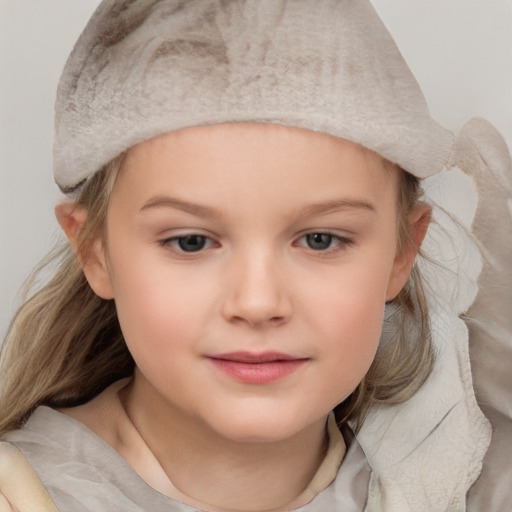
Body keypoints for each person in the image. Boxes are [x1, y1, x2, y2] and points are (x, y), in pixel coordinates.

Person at [0, 1, 510, 511]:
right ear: (95, 253)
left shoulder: (446, 486)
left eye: (320, 240)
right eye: (191, 241)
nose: (258, 302)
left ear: (403, 251)